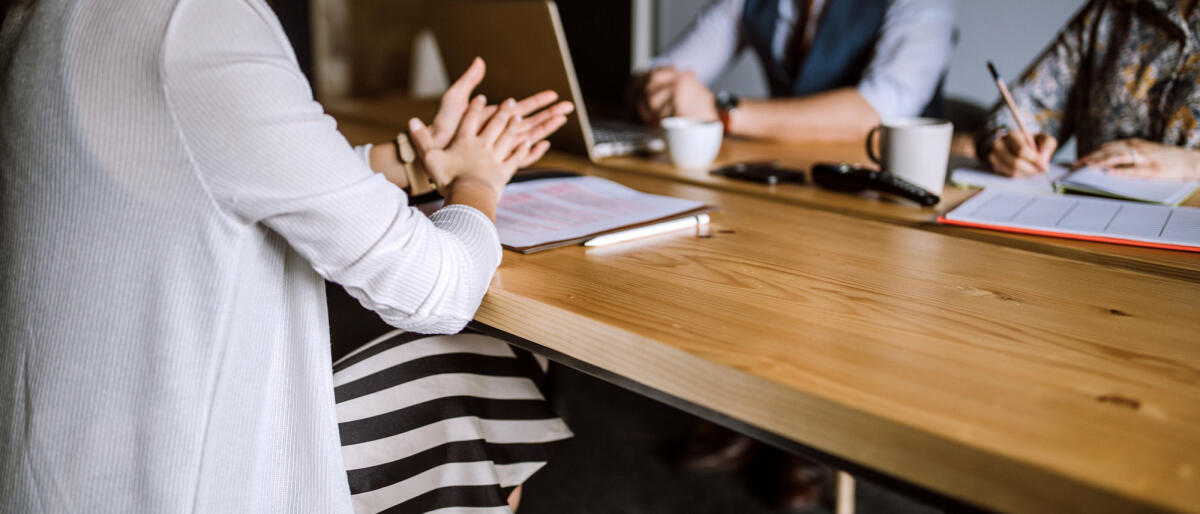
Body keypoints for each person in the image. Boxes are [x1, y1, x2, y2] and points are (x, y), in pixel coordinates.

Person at [0, 0, 572, 512]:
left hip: (60, 463)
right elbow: (437, 290)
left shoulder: (39, 18)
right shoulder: (197, 23)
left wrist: (414, 161)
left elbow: (220, 160)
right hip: (180, 483)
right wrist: (479, 183)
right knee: (490, 356)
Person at [633, 0, 955, 141]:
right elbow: (660, 71)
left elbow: (877, 111)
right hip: (782, 179)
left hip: (886, 195)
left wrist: (719, 112)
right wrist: (656, 91)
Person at [978, 0, 1200, 180]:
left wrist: (1191, 164)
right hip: (1090, 215)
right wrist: (1006, 140)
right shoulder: (1111, 10)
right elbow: (1022, 108)